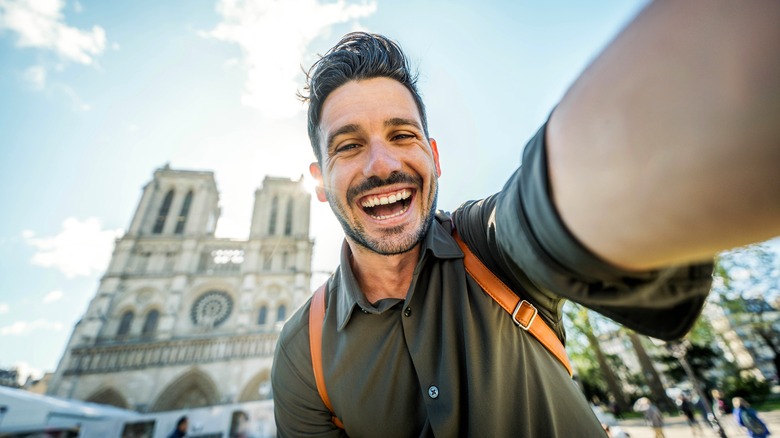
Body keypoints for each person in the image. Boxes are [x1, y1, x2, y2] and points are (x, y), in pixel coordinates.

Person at [271, 1, 780, 436]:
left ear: (434, 157)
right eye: (349, 145)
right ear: (319, 179)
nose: (382, 165)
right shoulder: (302, 355)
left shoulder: (485, 243)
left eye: (402, 135)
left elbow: (547, 205)